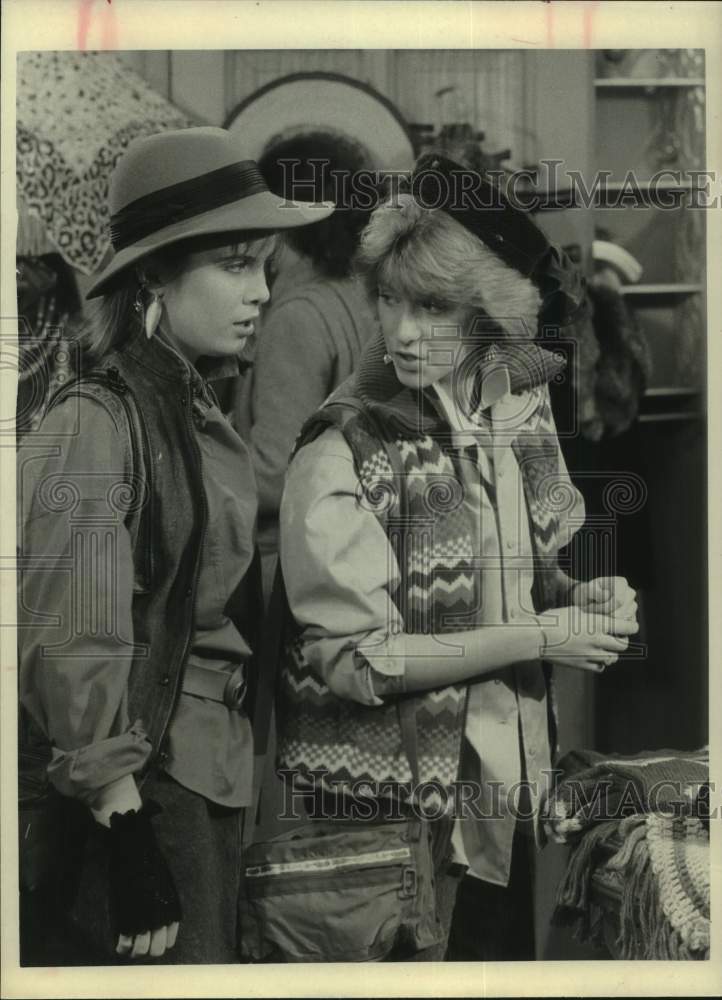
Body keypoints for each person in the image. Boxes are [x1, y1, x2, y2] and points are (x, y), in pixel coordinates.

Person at [274, 153, 639, 961]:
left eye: (432, 306)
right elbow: (363, 661)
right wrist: (544, 637)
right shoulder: (346, 446)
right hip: (390, 829)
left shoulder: (506, 406)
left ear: (487, 314)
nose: (402, 330)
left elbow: (512, 585)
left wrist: (579, 597)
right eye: (391, 299)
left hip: (500, 802)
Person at [16, 126, 332, 964]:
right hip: (143, 791)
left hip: (208, 775)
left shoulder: (190, 403)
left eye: (265, 265)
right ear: (153, 274)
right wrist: (125, 831)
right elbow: (70, 641)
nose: (261, 291)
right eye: (234, 266)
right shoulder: (95, 418)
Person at [234, 131, 378, 600]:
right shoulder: (372, 294)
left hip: (293, 568)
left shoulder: (298, 316)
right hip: (362, 548)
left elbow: (275, 476)